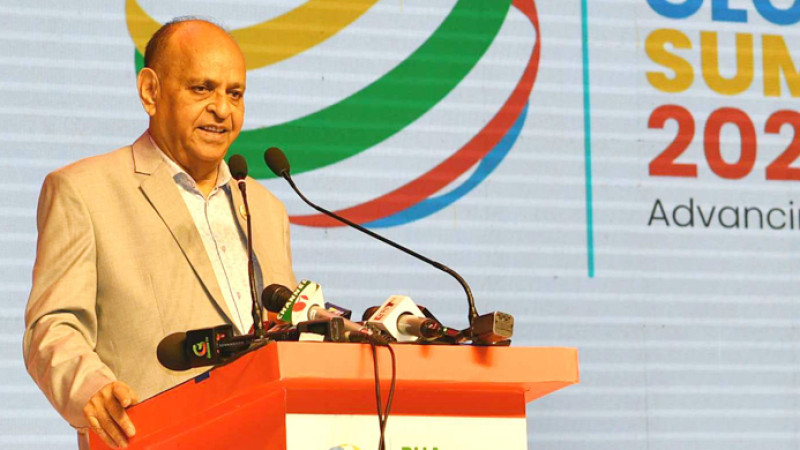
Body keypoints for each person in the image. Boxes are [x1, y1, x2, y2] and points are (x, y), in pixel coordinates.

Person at [23, 18, 296, 449]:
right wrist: (91, 388)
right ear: (150, 91)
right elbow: (53, 327)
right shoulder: (84, 191)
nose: (222, 109)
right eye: (202, 89)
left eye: (235, 93)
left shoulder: (265, 208)